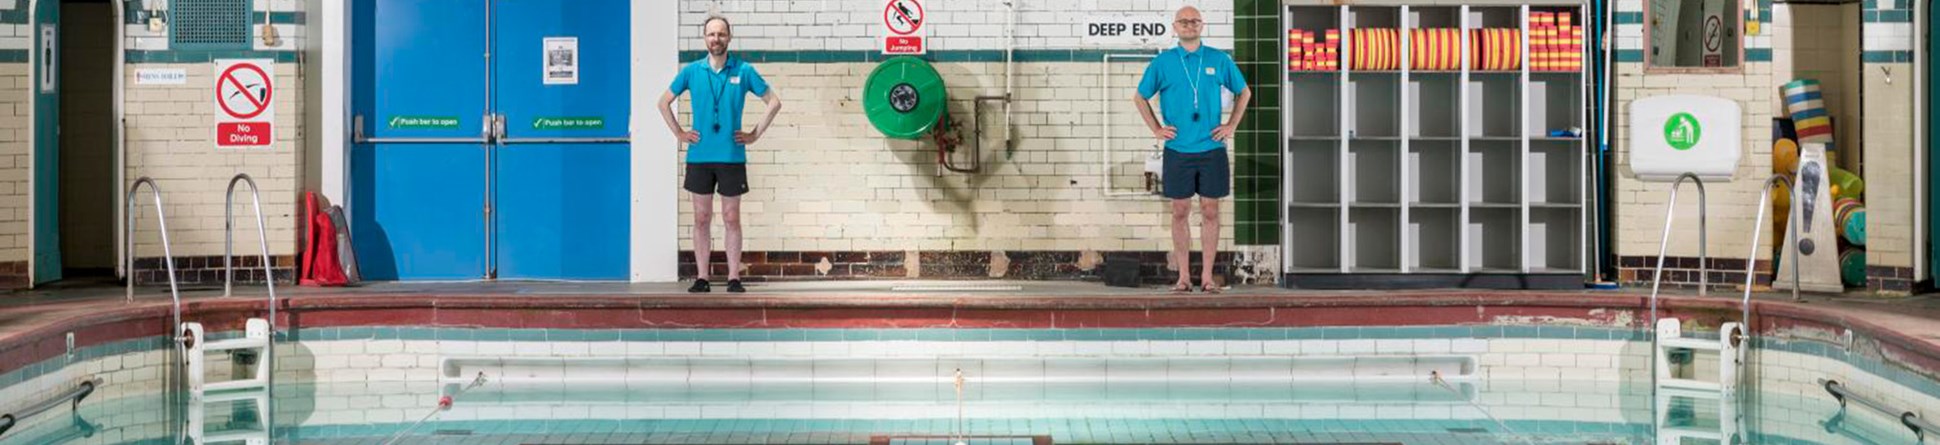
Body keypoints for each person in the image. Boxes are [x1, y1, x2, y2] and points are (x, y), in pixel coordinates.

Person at [657, 15, 783, 293]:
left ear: (729, 37)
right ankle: (702, 278)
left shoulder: (744, 70)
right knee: (701, 218)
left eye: (721, 34)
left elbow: (774, 102)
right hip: (699, 157)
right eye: (711, 34)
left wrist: (754, 134)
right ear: (705, 38)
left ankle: (733, 278)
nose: (716, 39)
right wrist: (679, 133)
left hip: (731, 157)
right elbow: (663, 102)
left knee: (731, 217)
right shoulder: (692, 70)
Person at [1130, 5, 1251, 294]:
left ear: (1201, 25)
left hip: (1211, 148)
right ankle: (1183, 277)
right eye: (1183, 21)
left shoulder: (1218, 59)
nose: (1189, 25)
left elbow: (1244, 92)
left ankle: (1207, 277)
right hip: (1178, 150)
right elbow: (1139, 97)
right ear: (1175, 27)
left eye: (1194, 21)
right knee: (1179, 210)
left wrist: (1231, 125)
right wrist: (1157, 129)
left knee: (1211, 211)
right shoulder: (1164, 62)